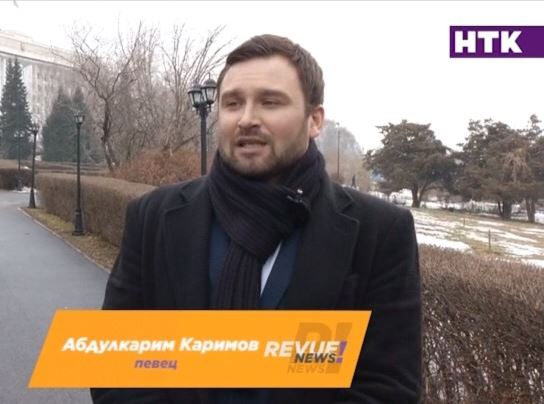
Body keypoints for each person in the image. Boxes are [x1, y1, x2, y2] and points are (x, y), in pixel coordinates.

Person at [91, 34, 421, 404]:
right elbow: (114, 368)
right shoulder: (153, 216)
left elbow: (388, 387)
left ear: (315, 120)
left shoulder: (379, 230)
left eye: (270, 102)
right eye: (233, 103)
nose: (247, 119)